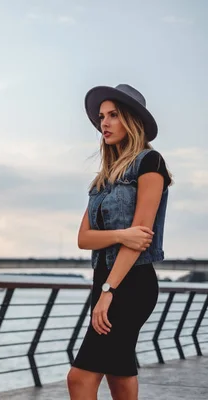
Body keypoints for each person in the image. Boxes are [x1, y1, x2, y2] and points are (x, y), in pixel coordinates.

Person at [67, 84, 173, 400]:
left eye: (113, 115)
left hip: (131, 283)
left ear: (131, 119)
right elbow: (83, 239)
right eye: (102, 117)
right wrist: (119, 234)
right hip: (105, 282)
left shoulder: (150, 163)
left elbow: (140, 237)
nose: (105, 123)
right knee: (118, 373)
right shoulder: (102, 179)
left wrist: (108, 291)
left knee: (79, 378)